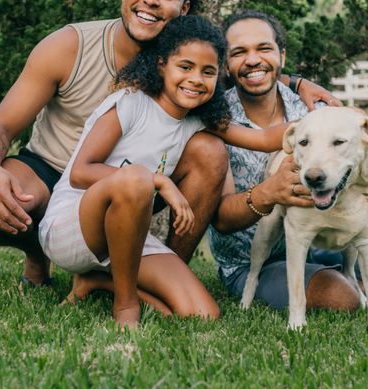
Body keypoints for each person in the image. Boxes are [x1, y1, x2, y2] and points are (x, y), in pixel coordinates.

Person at [0, 0, 338, 289]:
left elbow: (249, 70)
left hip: (143, 179)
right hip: (56, 168)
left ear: (183, 9)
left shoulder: (187, 66)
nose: (151, 1)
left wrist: (299, 83)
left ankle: (165, 273)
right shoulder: (68, 46)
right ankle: (37, 256)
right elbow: (0, 125)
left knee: (209, 150)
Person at [39, 16, 286, 328]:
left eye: (208, 72)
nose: (196, 79)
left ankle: (98, 281)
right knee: (136, 179)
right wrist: (158, 180)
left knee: (203, 315)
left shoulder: (196, 120)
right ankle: (125, 304)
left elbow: (264, 139)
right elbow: (80, 172)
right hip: (71, 229)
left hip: (128, 237)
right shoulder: (131, 103)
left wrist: (333, 117)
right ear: (161, 66)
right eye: (185, 67)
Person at [209, 10, 368, 312]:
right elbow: (220, 220)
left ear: (281, 55)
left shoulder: (314, 108)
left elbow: (361, 145)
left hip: (318, 239)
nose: (252, 60)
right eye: (238, 52)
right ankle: (354, 291)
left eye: (264, 49)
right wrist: (269, 193)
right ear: (226, 65)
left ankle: (356, 284)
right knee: (341, 299)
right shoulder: (216, 120)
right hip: (250, 260)